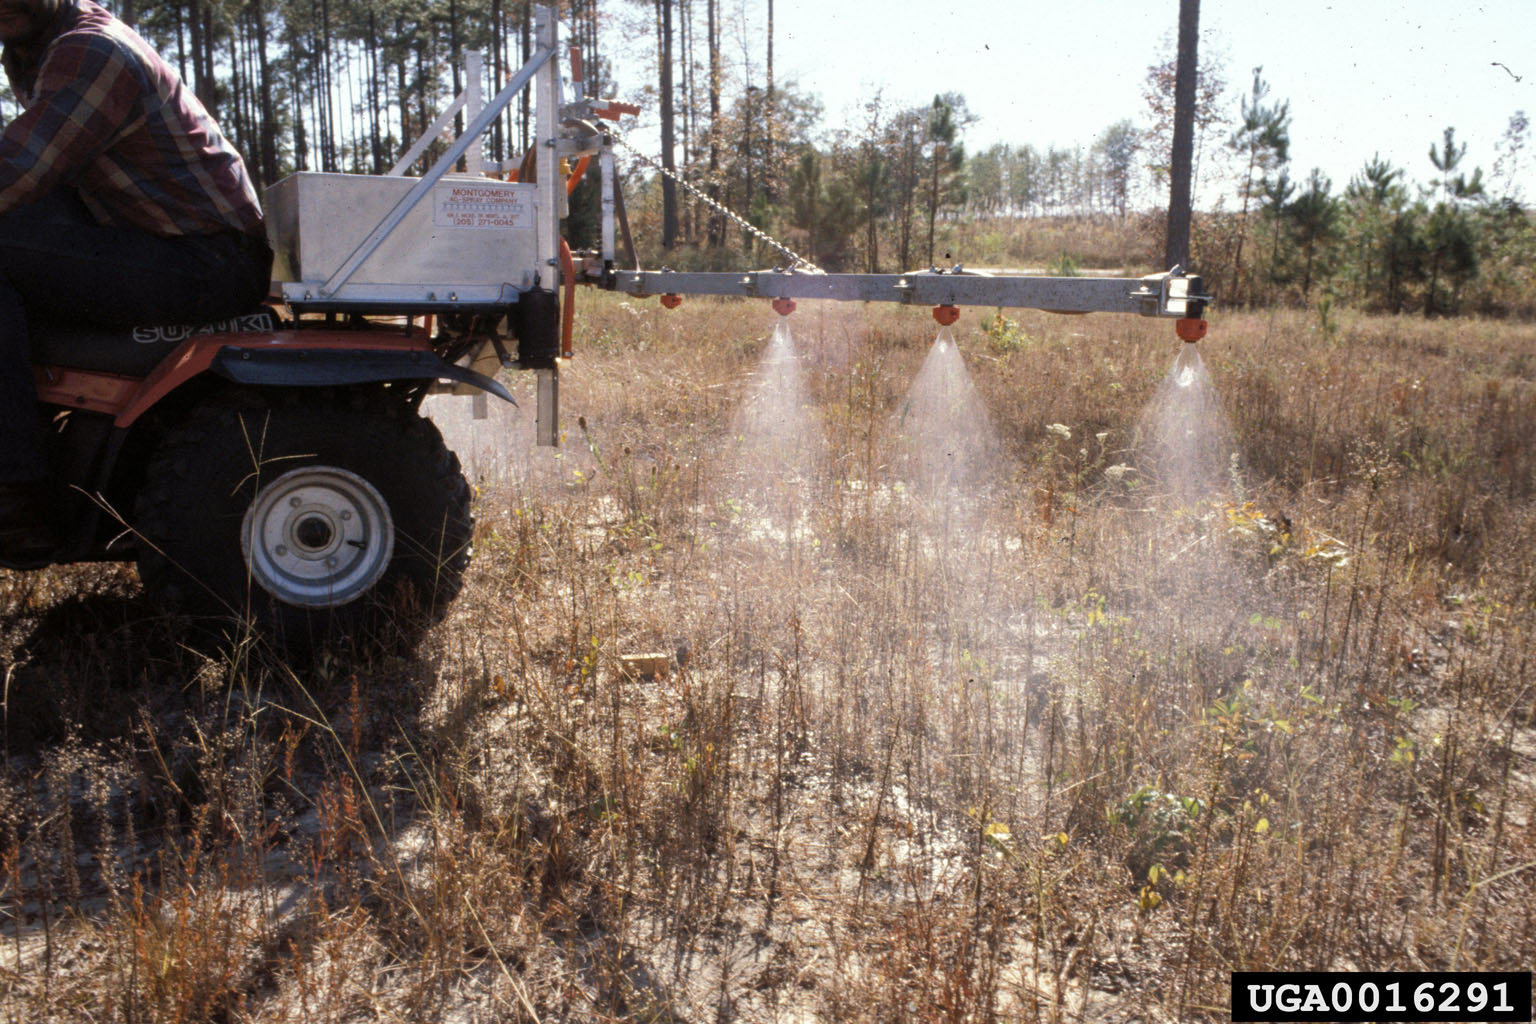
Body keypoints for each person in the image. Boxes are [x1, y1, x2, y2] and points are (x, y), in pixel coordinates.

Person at [0, 0, 271, 558]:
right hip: (155, 241)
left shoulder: (91, 51)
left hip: (205, 260)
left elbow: (18, 169)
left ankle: (14, 494)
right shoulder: (31, 51)